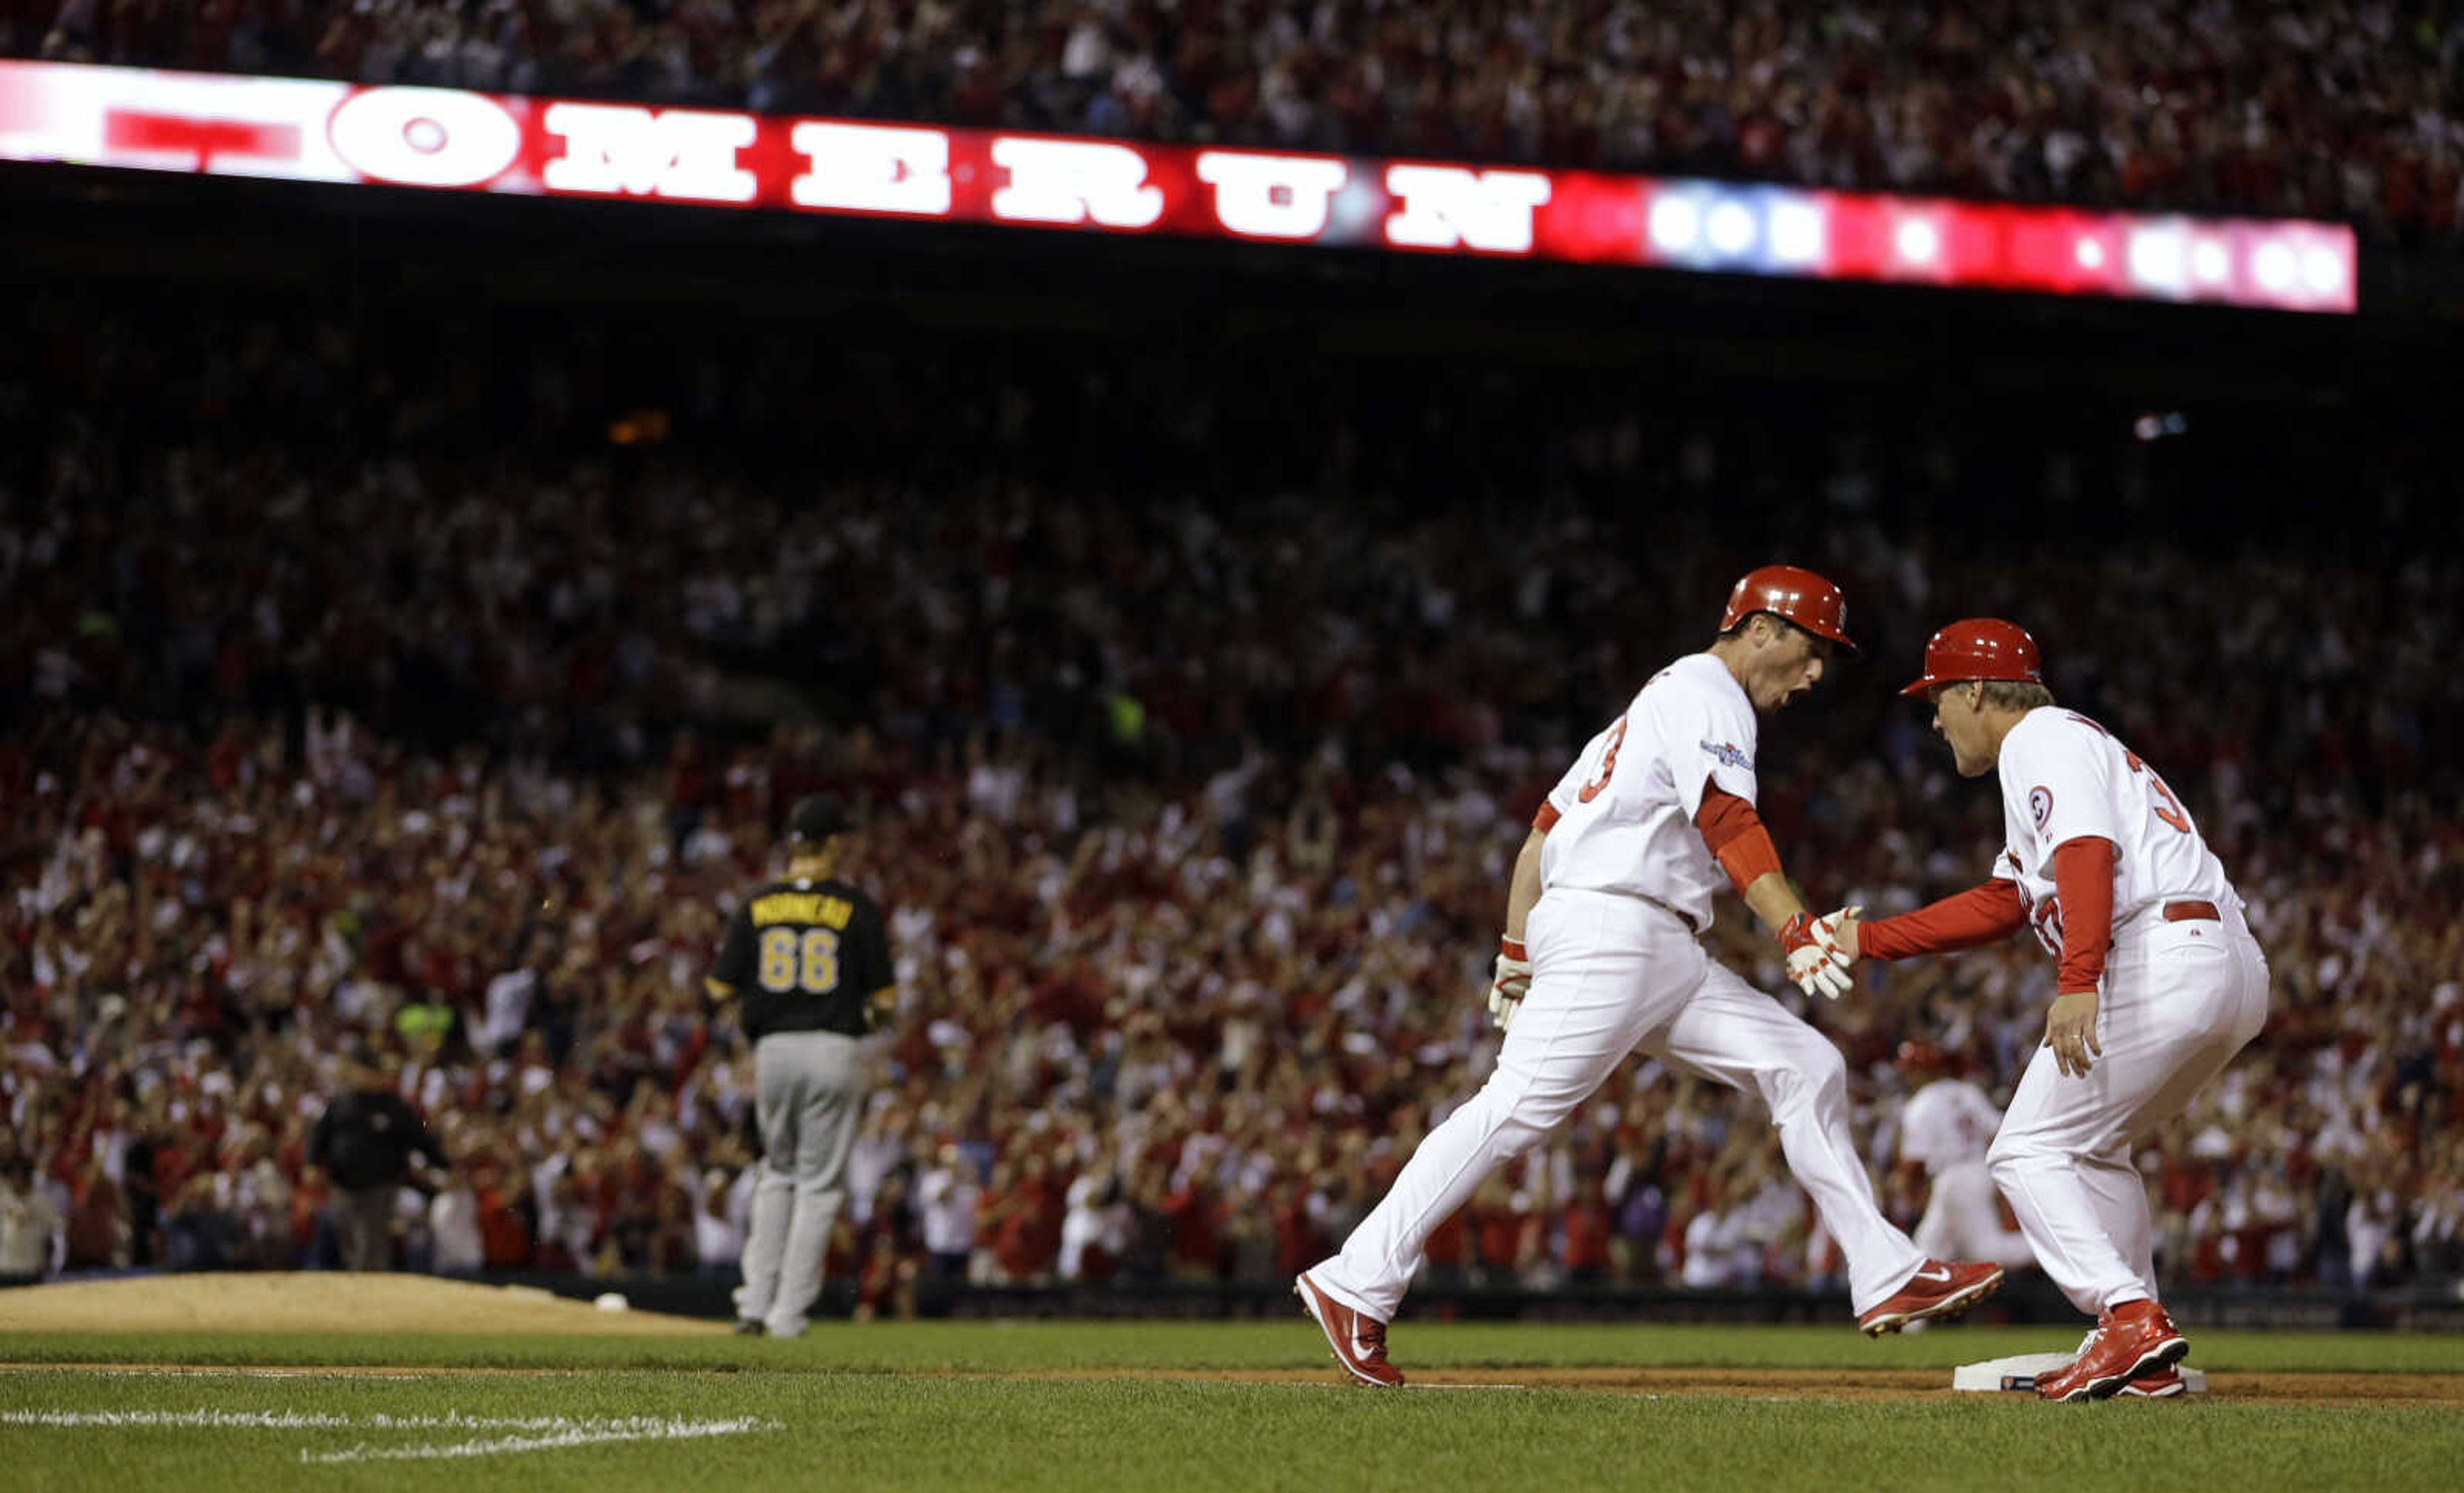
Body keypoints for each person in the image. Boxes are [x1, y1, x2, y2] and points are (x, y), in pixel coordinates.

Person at [1294, 566, 2005, 1387]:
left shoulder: (1650, 706)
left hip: (1650, 942)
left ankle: (1885, 1270)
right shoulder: (1710, 691)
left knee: (1808, 1064)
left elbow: (1539, 836)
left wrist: (1517, 951)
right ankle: (1357, 1279)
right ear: (1761, 630)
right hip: (1616, 928)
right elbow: (1728, 819)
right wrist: (1793, 927)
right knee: (1514, 1109)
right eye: (1812, 649)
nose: (1816, 673)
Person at [1821, 619, 2269, 1401]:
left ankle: (2127, 1315)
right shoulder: (2060, 750)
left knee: (2024, 1150)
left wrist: (2078, 978)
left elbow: (2087, 852)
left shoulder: (2040, 735)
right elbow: (2004, 901)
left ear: (1978, 691)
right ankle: (2143, 1350)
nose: (1934, 718)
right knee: (2093, 1150)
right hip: (2221, 959)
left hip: (2160, 953)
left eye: (1938, 698)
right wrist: (1869, 940)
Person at [706, 795, 898, 1338]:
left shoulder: (757, 904)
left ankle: (752, 1304)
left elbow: (719, 987)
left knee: (777, 1174)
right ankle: (788, 1315)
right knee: (817, 1186)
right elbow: (884, 1003)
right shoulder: (856, 907)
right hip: (833, 1046)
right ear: (833, 842)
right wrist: (866, 1016)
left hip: (774, 1051)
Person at [1890, 1040, 2034, 1272]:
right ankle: (1926, 1295)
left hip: (1956, 1176)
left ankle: (2053, 1248)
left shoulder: (1921, 1104)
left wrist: (1901, 1184)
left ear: (1922, 1071)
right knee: (1928, 1249)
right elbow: (1998, 1131)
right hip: (1979, 1170)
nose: (1908, 1076)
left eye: (1911, 1070)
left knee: (1987, 1251)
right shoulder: (1968, 1091)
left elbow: (1914, 1161)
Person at [305, 1046, 449, 1272]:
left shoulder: (394, 1106)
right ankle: (362, 1289)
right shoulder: (341, 1102)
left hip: (378, 1187)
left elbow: (421, 1138)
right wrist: (312, 1163)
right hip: (342, 1186)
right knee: (348, 1240)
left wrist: (445, 1165)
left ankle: (372, 1292)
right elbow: (320, 1135)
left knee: (370, 1243)